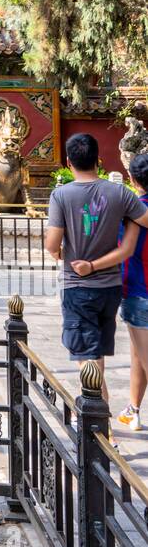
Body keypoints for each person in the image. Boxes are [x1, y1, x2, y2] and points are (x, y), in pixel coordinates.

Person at [44, 133, 148, 403]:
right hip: (110, 288)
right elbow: (143, 220)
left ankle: (99, 419)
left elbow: (52, 244)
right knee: (96, 349)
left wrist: (61, 252)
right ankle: (101, 414)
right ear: (98, 160)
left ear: (68, 162)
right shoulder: (120, 193)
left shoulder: (61, 195)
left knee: (86, 354)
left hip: (77, 286)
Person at [117, 152, 148, 431]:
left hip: (140, 291)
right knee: (138, 352)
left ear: (132, 178)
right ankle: (133, 409)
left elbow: (121, 249)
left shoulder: (133, 212)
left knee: (144, 353)